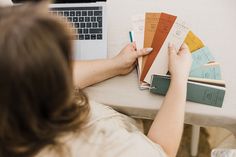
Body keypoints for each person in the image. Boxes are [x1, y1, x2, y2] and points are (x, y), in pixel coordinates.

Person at [0, 2, 192, 157]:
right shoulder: (105, 146)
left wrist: (116, 64)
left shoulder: (16, 99)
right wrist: (179, 79)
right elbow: (162, 151)